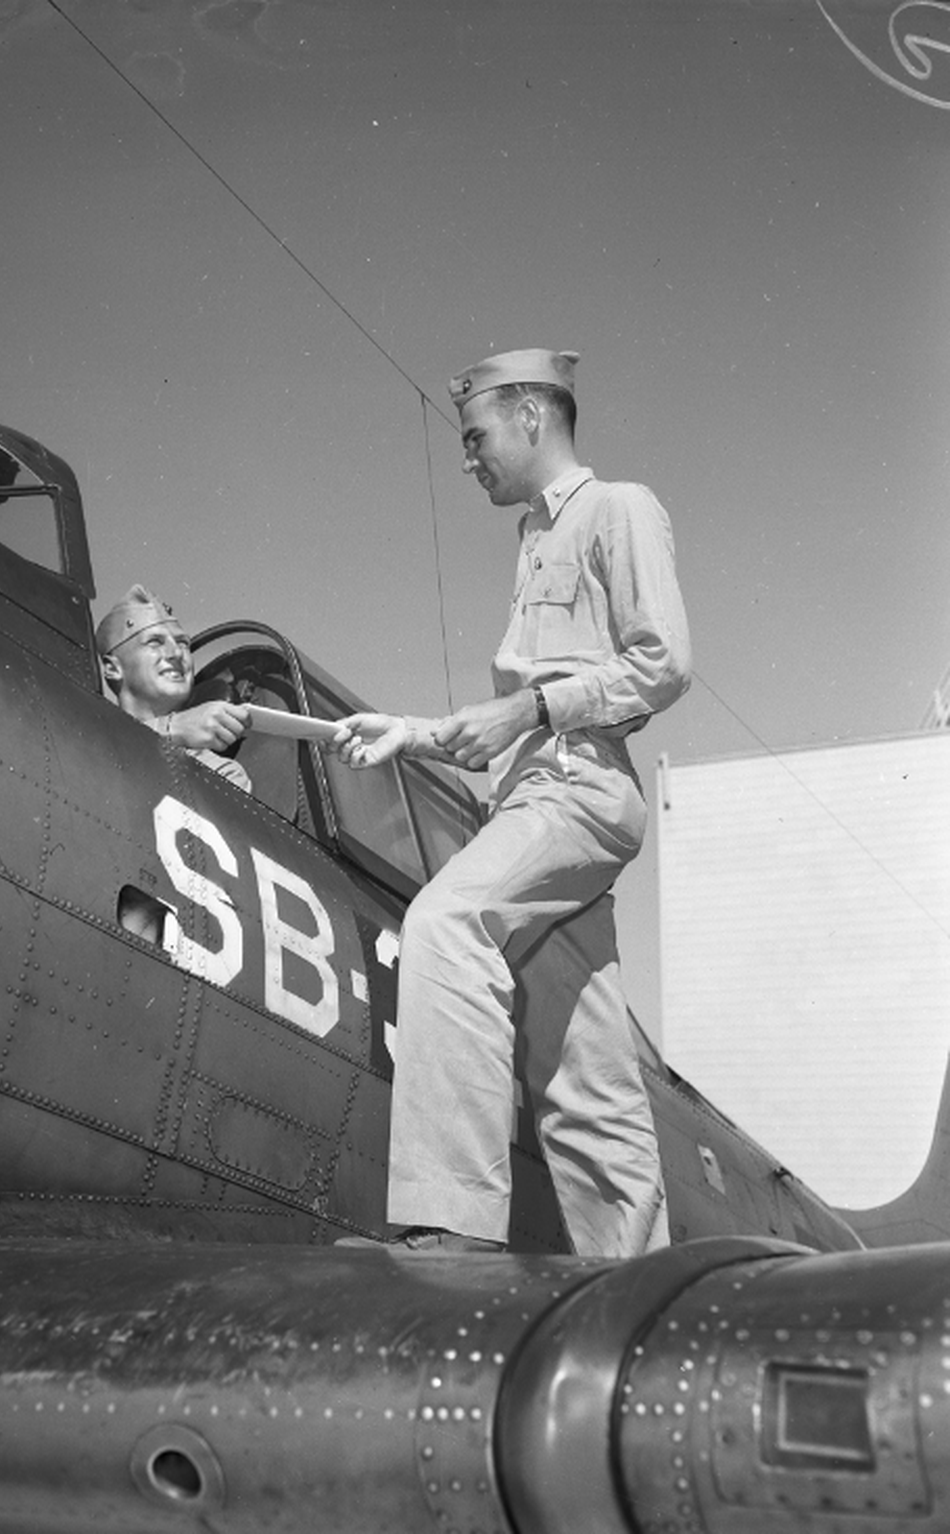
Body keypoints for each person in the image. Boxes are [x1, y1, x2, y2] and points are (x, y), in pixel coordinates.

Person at [335, 348, 690, 1258]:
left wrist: (529, 708)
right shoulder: (532, 541)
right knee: (583, 1071)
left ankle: (454, 1224)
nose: (467, 458)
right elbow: (508, 722)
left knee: (446, 923)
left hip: (577, 790)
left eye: (475, 435)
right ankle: (635, 1282)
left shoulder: (618, 509)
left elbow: (663, 664)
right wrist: (412, 731)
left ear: (532, 415)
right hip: (535, 792)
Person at [95, 584, 251, 793]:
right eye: (154, 642)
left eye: (182, 643)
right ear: (112, 668)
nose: (176, 653)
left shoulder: (221, 773)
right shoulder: (84, 740)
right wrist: (172, 729)